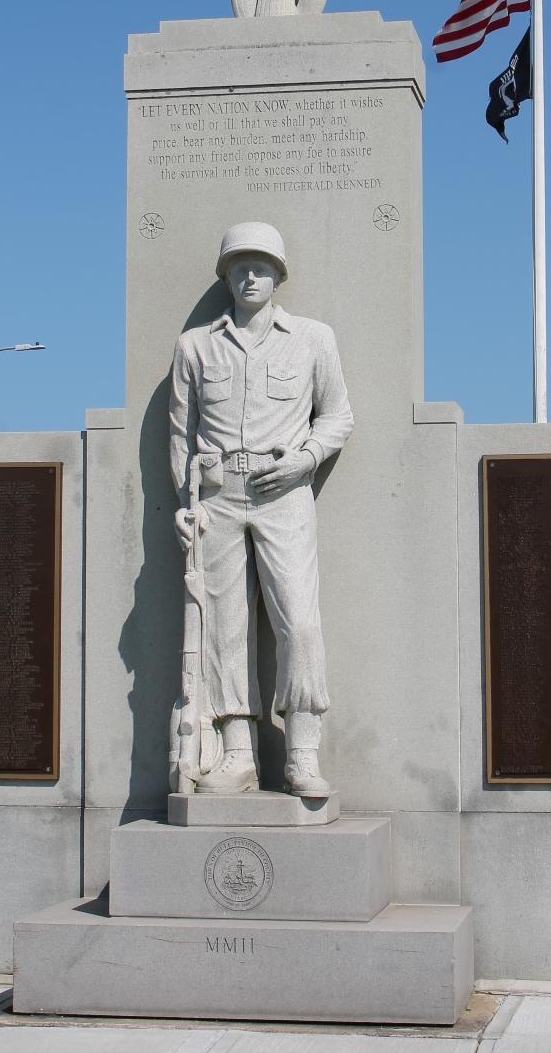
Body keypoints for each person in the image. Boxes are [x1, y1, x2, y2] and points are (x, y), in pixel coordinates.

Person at [169, 222, 353, 796]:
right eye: (240, 266)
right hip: (218, 499)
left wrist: (306, 461)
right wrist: (185, 502)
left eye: (262, 266)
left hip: (285, 495)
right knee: (225, 629)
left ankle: (301, 752)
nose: (251, 276)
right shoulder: (195, 345)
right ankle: (238, 753)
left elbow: (338, 416)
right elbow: (181, 434)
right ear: (225, 274)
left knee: (298, 620)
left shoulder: (313, 338)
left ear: (279, 275)